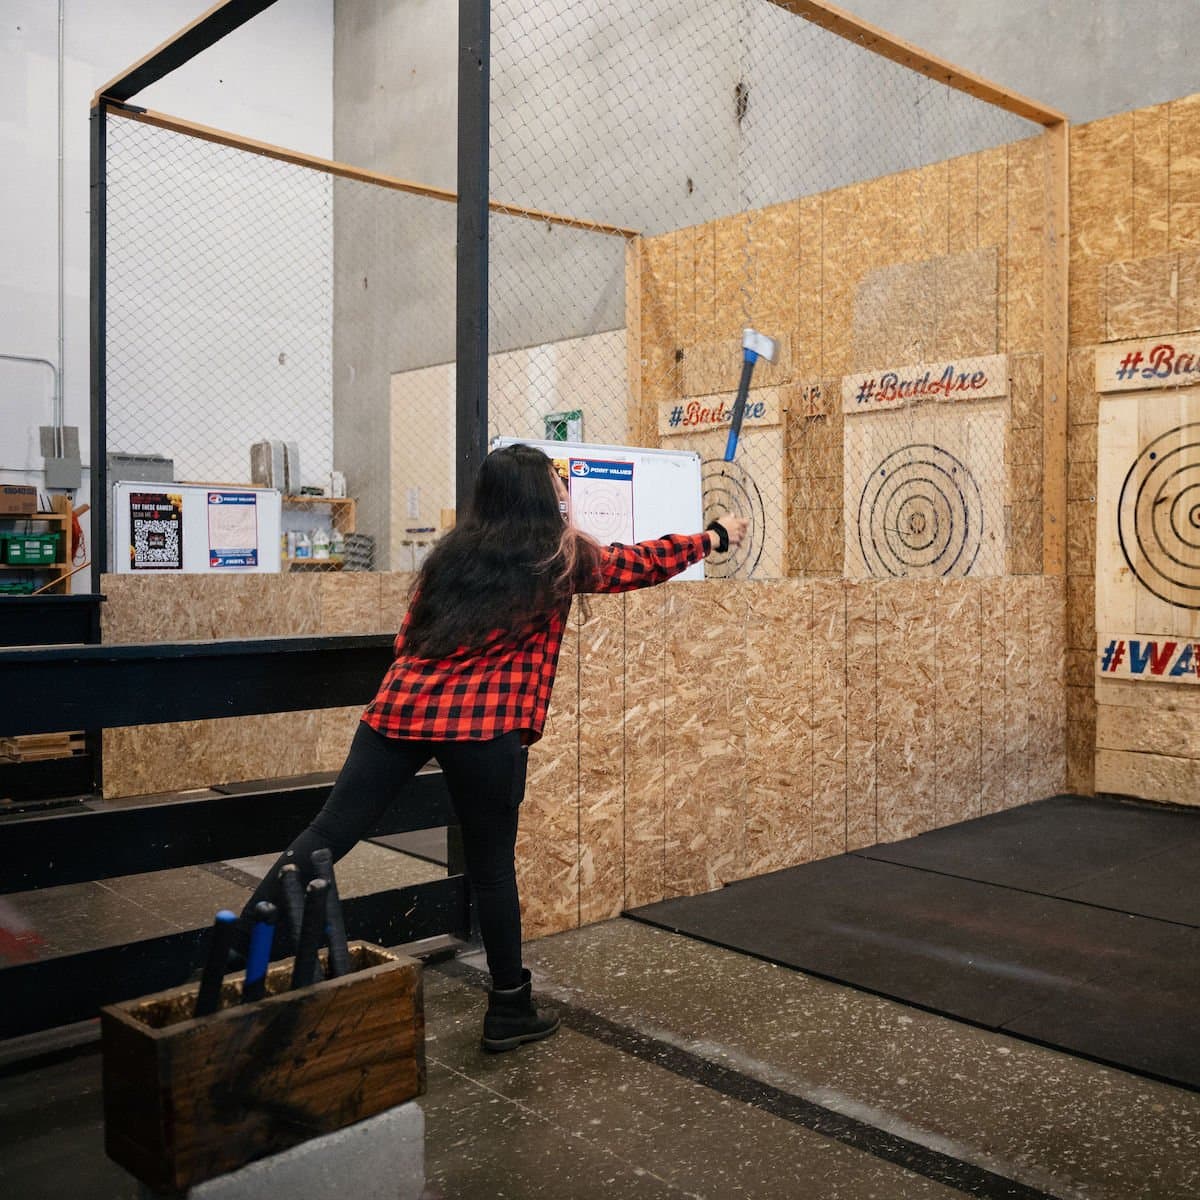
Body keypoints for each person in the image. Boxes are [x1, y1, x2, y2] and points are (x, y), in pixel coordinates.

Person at [240, 442, 748, 1051]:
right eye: (555, 486)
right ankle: (509, 1008)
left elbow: (408, 638)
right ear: (538, 497)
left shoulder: (448, 557)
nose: (564, 493)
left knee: (327, 834)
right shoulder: (558, 557)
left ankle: (235, 955)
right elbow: (638, 562)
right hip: (485, 726)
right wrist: (713, 536)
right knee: (490, 869)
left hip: (401, 710)